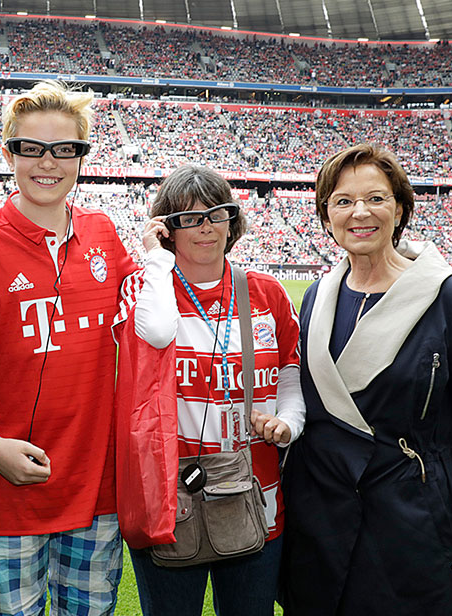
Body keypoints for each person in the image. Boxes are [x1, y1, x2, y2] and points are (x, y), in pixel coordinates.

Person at [0, 80, 136, 616]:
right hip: (14, 480)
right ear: (9, 152)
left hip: (99, 484)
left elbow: (155, 303)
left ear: (82, 157)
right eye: (32, 148)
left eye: (65, 150)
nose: (49, 164)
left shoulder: (103, 233)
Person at [280, 143, 452, 616]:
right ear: (326, 217)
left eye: (376, 198)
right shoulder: (315, 297)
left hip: (414, 522)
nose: (359, 212)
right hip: (321, 519)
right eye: (342, 201)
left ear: (399, 208)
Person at [118, 163, 306, 615]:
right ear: (167, 228)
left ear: (232, 220)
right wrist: (156, 260)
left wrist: (288, 423)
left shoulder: (268, 294)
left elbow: (290, 377)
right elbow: (158, 331)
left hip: (254, 495)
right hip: (169, 498)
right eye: (188, 218)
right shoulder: (143, 290)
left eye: (216, 214)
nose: (205, 228)